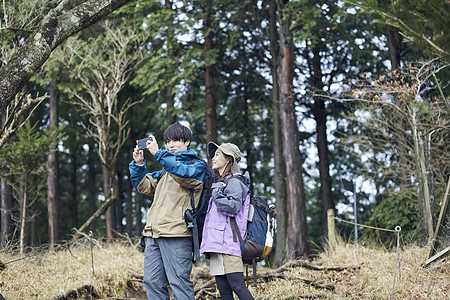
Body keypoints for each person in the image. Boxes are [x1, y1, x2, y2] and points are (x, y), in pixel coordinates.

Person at [129, 122, 206, 300]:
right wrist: (139, 164)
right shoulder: (165, 170)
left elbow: (182, 174)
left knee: (179, 283)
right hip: (153, 234)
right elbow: (144, 186)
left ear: (187, 142)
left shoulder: (197, 166)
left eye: (176, 140)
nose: (171, 145)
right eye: (168, 141)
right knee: (152, 282)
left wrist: (158, 153)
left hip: (178, 234)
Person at [200, 142, 254, 300]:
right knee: (224, 293)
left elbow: (233, 207)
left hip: (229, 245)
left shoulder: (235, 182)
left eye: (217, 154)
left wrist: (216, 191)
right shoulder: (221, 183)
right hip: (217, 245)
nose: (213, 158)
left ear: (229, 159)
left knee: (238, 287)